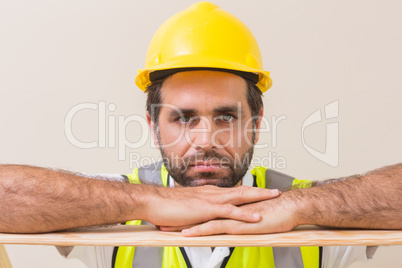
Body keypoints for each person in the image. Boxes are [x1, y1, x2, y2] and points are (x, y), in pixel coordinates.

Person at [0, 1, 401, 268]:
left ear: (256, 125)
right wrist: (148, 202)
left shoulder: (309, 211)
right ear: (153, 127)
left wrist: (303, 207)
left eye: (226, 116)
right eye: (183, 118)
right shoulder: (116, 210)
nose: (206, 138)